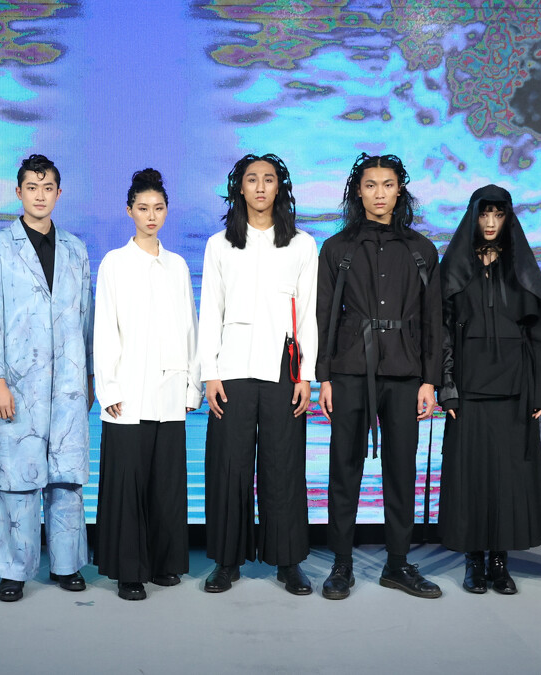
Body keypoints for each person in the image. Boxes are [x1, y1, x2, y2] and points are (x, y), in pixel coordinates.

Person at [315, 153, 442, 600]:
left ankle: (398, 564)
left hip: (405, 372)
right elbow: (324, 315)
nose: (380, 193)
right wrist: (324, 377)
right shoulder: (337, 248)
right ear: (359, 191)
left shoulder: (422, 250)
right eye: (371, 185)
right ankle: (342, 564)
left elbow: (433, 319)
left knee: (401, 470)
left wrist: (430, 380)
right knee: (343, 467)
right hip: (350, 370)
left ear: (399, 190)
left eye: (388, 185)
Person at [197, 153, 316, 596]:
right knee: (229, 465)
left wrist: (306, 375)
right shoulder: (220, 245)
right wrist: (210, 372)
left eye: (268, 179)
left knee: (284, 464)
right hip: (231, 369)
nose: (261, 187)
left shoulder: (301, 244)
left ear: (279, 187)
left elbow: (307, 314)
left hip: (283, 368)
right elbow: (210, 310)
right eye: (252, 179)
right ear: (240, 188)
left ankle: (288, 561)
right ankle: (226, 562)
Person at [0, 154, 93, 602]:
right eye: (32, 187)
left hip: (67, 381)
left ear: (58, 193)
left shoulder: (76, 250)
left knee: (67, 476)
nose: (40, 196)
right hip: (17, 382)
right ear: (18, 192)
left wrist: (88, 375)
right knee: (17, 478)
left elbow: (86, 318)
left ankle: (67, 564)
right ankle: (13, 569)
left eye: (47, 188)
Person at [437, 184, 541, 594]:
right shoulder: (455, 265)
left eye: (498, 214)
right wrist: (446, 388)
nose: (490, 222)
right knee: (470, 476)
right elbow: (441, 333)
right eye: (484, 213)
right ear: (473, 216)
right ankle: (473, 560)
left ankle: (499, 561)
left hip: (513, 389)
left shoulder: (518, 266)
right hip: (468, 390)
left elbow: (540, 334)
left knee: (508, 478)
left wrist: (538, 390)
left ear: (508, 218)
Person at [93, 168, 201, 601]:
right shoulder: (115, 263)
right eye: (143, 208)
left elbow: (190, 327)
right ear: (129, 211)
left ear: (167, 211)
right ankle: (129, 570)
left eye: (158, 208)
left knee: (166, 482)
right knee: (128, 483)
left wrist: (192, 385)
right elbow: (105, 328)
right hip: (128, 392)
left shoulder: (177, 266)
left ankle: (162, 562)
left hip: (171, 390)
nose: (151, 216)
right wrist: (109, 388)